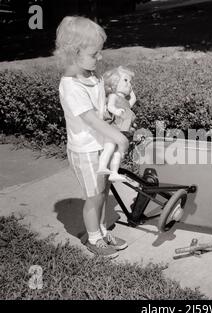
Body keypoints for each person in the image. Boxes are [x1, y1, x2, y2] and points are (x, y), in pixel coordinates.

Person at [54, 16, 128, 258]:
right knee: (93, 196)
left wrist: (113, 109)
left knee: (102, 192)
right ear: (74, 53)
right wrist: (117, 136)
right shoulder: (71, 86)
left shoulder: (91, 77)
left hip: (99, 146)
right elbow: (90, 119)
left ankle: (102, 231)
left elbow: (99, 112)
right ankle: (93, 238)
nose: (100, 57)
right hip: (85, 151)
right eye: (95, 53)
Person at [97, 66, 137, 182]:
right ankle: (102, 167)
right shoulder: (113, 96)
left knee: (119, 152)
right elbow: (110, 106)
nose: (128, 83)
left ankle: (114, 172)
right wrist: (116, 111)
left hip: (122, 131)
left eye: (130, 82)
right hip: (113, 129)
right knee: (109, 147)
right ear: (114, 82)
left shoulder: (126, 103)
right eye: (125, 80)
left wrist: (129, 85)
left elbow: (133, 98)